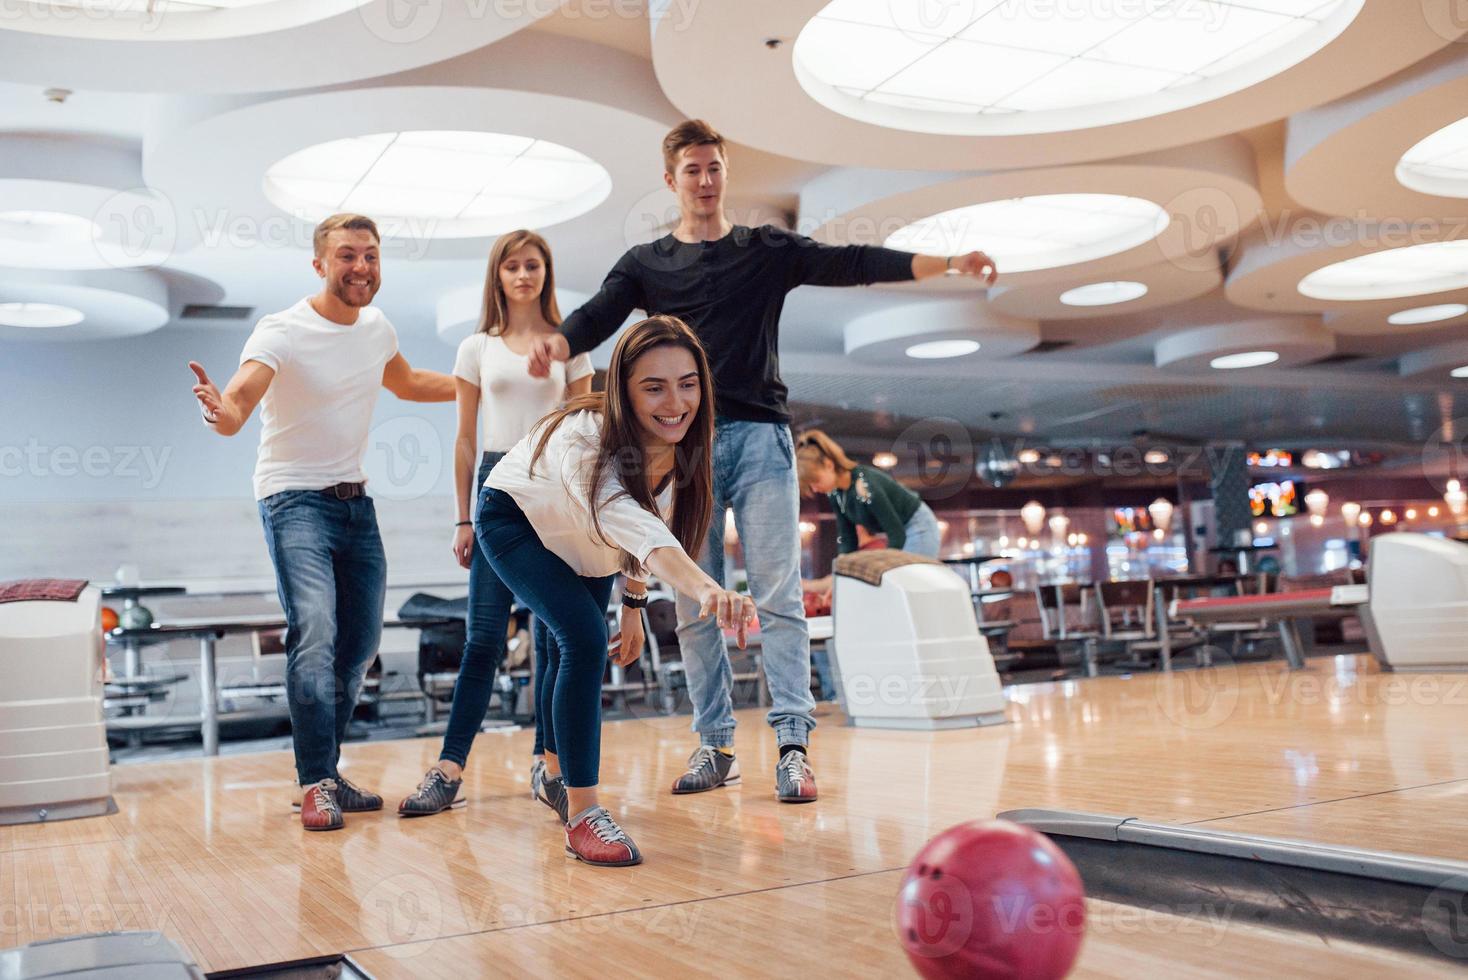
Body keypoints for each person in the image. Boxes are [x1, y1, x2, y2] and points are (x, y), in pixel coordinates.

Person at [526, 119, 997, 803]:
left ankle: (794, 747)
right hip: (684, 451)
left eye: (715, 167)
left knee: (777, 595)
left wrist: (946, 262)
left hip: (761, 440)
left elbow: (853, 263)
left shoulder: (765, 251)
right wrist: (556, 343)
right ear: (672, 180)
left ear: (725, 175)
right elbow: (598, 315)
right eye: (693, 169)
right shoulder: (646, 264)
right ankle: (714, 745)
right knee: (694, 599)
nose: (706, 180)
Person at [189, 213, 455, 832]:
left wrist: (480, 387)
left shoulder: (377, 328)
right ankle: (315, 783)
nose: (360, 267)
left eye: (370, 255)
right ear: (319, 265)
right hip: (293, 500)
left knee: (359, 646)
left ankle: (327, 773)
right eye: (346, 256)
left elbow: (409, 383)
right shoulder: (281, 330)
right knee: (314, 630)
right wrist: (219, 412)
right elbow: (239, 405)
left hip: (357, 505)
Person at [478, 314, 755, 866]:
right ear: (623, 392)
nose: (674, 401)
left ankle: (551, 772)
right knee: (580, 637)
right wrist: (707, 589)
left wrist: (633, 606)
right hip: (518, 522)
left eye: (687, 383)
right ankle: (583, 814)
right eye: (653, 386)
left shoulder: (684, 452)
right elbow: (627, 519)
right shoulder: (585, 436)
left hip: (593, 542)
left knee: (568, 645)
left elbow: (654, 526)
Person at [396, 230, 594, 819]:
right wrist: (463, 516)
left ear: (545, 273)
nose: (524, 274)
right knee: (483, 637)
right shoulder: (476, 348)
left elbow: (585, 433)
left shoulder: (570, 349)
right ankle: (448, 769)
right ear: (498, 276)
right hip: (496, 485)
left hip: (558, 484)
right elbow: (463, 437)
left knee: (557, 638)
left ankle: (550, 766)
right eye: (513, 265)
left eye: (534, 264)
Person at [798, 429, 942, 558]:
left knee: (909, 577)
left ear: (829, 465)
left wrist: (885, 567)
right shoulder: (835, 494)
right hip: (901, 531)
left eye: (815, 481)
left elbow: (896, 534)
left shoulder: (865, 485)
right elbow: (847, 538)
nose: (815, 489)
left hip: (917, 524)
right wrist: (841, 568)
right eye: (810, 486)